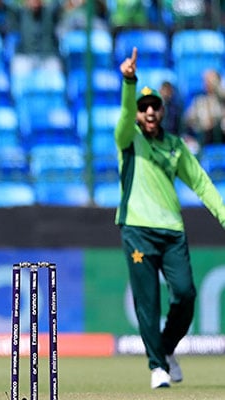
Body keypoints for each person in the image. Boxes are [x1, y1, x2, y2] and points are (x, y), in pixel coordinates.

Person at [115, 47, 225, 389]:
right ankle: (156, 366)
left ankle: (165, 349)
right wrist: (130, 82)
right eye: (142, 107)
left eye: (154, 107)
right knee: (147, 300)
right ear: (137, 113)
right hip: (137, 230)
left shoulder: (175, 146)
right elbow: (122, 117)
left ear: (162, 112)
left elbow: (202, 184)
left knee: (186, 294)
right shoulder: (128, 140)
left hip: (172, 231)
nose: (148, 111)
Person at [183, 69, 225, 147]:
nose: (206, 83)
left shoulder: (221, 99)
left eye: (210, 80)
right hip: (203, 139)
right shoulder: (199, 100)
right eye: (205, 80)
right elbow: (188, 119)